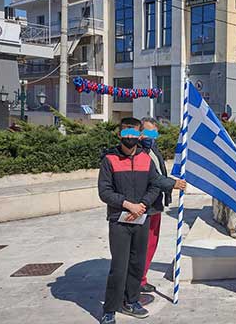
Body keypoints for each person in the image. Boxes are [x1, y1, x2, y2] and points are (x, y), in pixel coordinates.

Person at [98, 118, 160, 324]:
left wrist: (143, 204)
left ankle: (131, 301)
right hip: (119, 221)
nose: (130, 137)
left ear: (139, 135)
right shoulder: (109, 160)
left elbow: (154, 185)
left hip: (141, 218)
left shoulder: (146, 159)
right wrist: (127, 205)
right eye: (126, 133)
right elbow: (104, 191)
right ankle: (110, 309)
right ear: (120, 135)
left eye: (134, 133)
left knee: (137, 264)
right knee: (119, 267)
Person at [138, 118, 187, 294]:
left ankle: (141, 279)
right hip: (144, 205)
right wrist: (172, 184)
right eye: (148, 132)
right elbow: (153, 177)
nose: (152, 136)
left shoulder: (153, 149)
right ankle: (137, 281)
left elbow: (159, 173)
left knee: (151, 244)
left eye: (154, 133)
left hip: (155, 204)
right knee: (142, 246)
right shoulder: (138, 152)